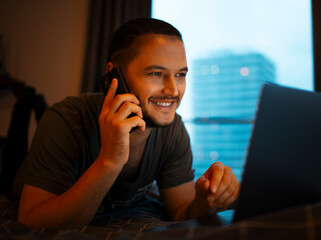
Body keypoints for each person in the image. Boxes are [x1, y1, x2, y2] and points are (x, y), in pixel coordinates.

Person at [17, 18, 240, 230]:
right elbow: (31, 222)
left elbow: (181, 212)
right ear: (114, 75)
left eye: (180, 74)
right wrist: (109, 161)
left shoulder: (173, 130)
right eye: (156, 73)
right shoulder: (66, 120)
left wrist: (206, 200)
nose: (173, 90)